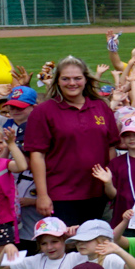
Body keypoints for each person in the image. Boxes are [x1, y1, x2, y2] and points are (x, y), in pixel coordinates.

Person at [23, 56, 120, 226]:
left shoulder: (100, 106)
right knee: (66, 246)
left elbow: (111, 147)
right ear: (57, 81)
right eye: (65, 78)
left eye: (77, 78)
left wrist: (111, 186)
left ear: (85, 79)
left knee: (94, 244)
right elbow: (37, 155)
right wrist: (43, 195)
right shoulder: (44, 111)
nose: (72, 83)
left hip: (97, 193)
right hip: (61, 193)